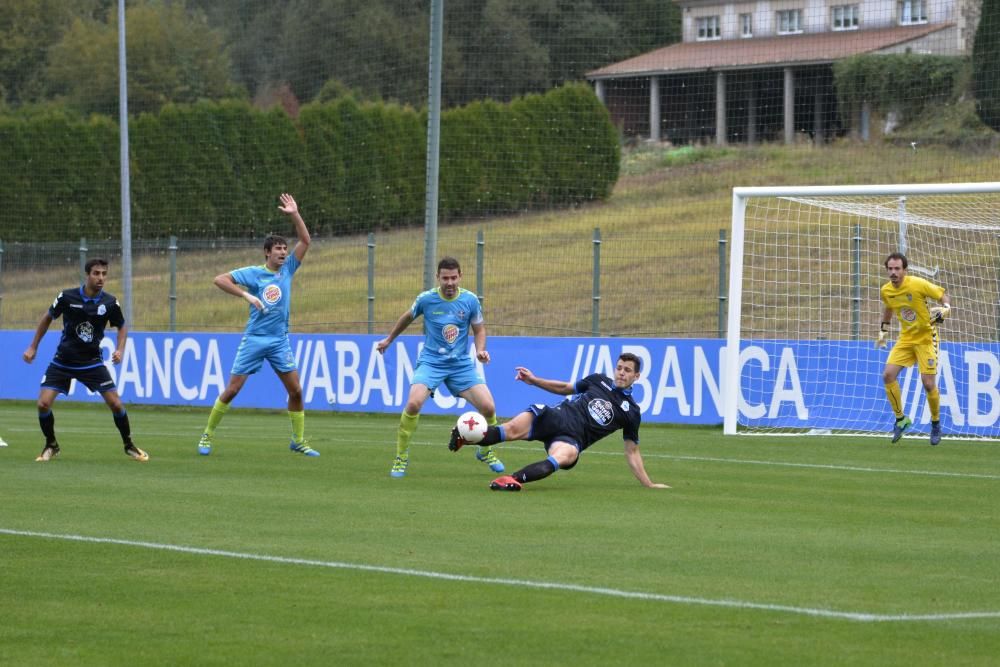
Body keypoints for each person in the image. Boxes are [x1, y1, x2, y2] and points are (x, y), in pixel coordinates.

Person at [197, 193, 318, 457]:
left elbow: (306, 240)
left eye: (285, 249)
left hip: (278, 340)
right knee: (233, 389)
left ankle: (298, 440)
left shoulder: (288, 270)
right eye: (278, 249)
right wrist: (247, 295)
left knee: (296, 390)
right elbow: (220, 279)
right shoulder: (254, 273)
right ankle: (207, 435)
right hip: (255, 338)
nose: (284, 253)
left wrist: (295, 213)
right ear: (267, 252)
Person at [450, 352, 669, 491]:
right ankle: (463, 435)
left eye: (627, 370)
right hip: (556, 417)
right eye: (619, 367)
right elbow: (565, 388)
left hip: (572, 438)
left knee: (566, 456)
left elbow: (632, 451)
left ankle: (511, 479)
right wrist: (534, 380)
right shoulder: (598, 380)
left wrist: (648, 484)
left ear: (636, 376)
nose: (621, 373)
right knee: (510, 430)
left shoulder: (631, 412)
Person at [376, 257, 502, 478]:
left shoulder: (470, 300)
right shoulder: (426, 299)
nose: (450, 282)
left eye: (454, 277)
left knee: (489, 407)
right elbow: (407, 317)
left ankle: (485, 451)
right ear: (438, 278)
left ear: (460, 277)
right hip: (431, 362)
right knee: (413, 404)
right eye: (445, 278)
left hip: (460, 364)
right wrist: (389, 340)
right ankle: (401, 457)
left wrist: (480, 350)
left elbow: (479, 330)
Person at [22, 258, 148, 462]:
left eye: (104, 274)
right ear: (87, 275)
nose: (101, 278)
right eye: (96, 273)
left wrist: (120, 349)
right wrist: (33, 346)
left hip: (92, 362)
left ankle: (129, 445)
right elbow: (47, 318)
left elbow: (122, 326)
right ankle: (51, 445)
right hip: (63, 360)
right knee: (43, 404)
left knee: (116, 404)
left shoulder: (109, 302)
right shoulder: (66, 296)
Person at [877, 252, 951, 445]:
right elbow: (889, 307)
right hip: (906, 339)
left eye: (897, 269)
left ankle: (935, 424)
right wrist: (883, 331)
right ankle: (901, 420)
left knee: (928, 384)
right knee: (887, 375)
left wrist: (946, 307)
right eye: (890, 269)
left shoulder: (917, 284)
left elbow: (942, 295)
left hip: (926, 338)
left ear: (904, 270)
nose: (893, 272)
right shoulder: (886, 290)